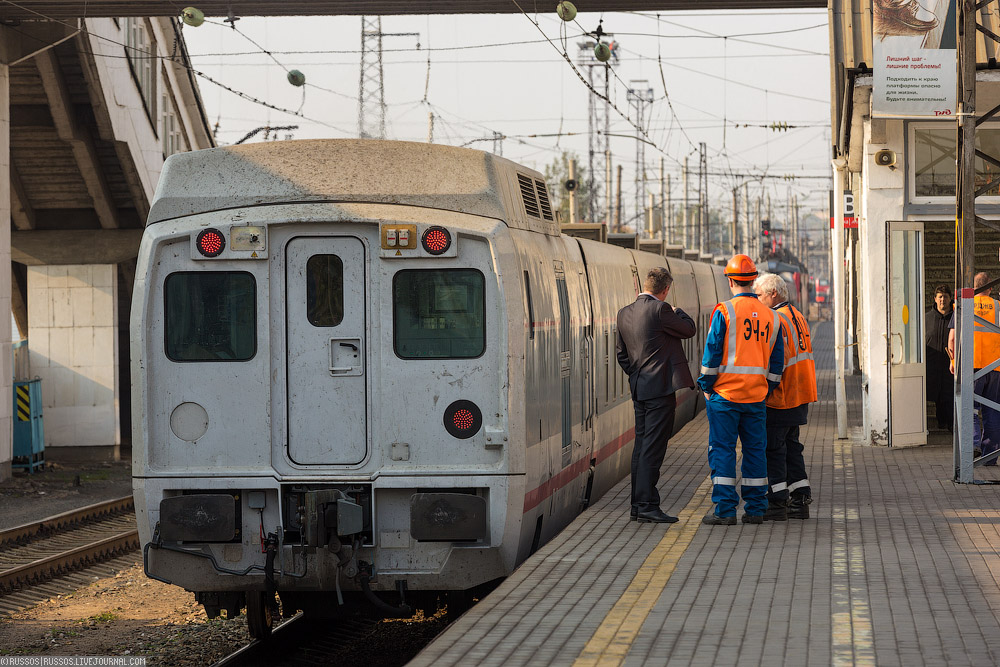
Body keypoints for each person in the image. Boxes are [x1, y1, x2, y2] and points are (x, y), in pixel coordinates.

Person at [698, 255, 784, 526]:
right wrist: (764, 389)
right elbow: (777, 363)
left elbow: (711, 353)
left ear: (731, 280)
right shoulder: (773, 317)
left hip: (725, 397)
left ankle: (725, 511)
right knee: (755, 450)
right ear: (752, 280)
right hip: (756, 398)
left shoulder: (724, 311)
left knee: (723, 450)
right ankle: (756, 510)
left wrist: (706, 386)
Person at [616, 266, 697, 523]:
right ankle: (648, 506)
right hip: (660, 391)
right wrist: (677, 310)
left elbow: (621, 355)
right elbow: (689, 329)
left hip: (640, 389)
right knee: (653, 448)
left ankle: (638, 506)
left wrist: (638, 376)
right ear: (665, 290)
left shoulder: (624, 313)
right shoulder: (661, 310)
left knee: (641, 447)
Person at [755, 273, 818, 521]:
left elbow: (778, 361)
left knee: (774, 450)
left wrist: (765, 390)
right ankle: (800, 499)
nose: (756, 299)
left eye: (759, 295)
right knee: (793, 448)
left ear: (773, 294)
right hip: (801, 393)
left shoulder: (775, 319)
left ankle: (777, 503)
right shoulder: (797, 315)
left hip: (782, 396)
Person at [948, 272, 1000, 465]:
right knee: (992, 411)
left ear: (974, 286)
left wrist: (953, 361)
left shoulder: (963, 306)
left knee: (969, 406)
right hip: (995, 367)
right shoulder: (998, 306)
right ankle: (990, 457)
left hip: (970, 365)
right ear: (991, 288)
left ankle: (973, 446)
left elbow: (952, 338)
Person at [925, 285, 953, 432]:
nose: (943, 300)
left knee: (949, 395)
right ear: (935, 299)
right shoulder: (927, 318)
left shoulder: (956, 318)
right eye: (940, 297)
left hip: (950, 364)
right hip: (932, 364)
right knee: (935, 395)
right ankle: (940, 423)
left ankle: (950, 424)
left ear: (950, 299)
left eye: (945, 297)